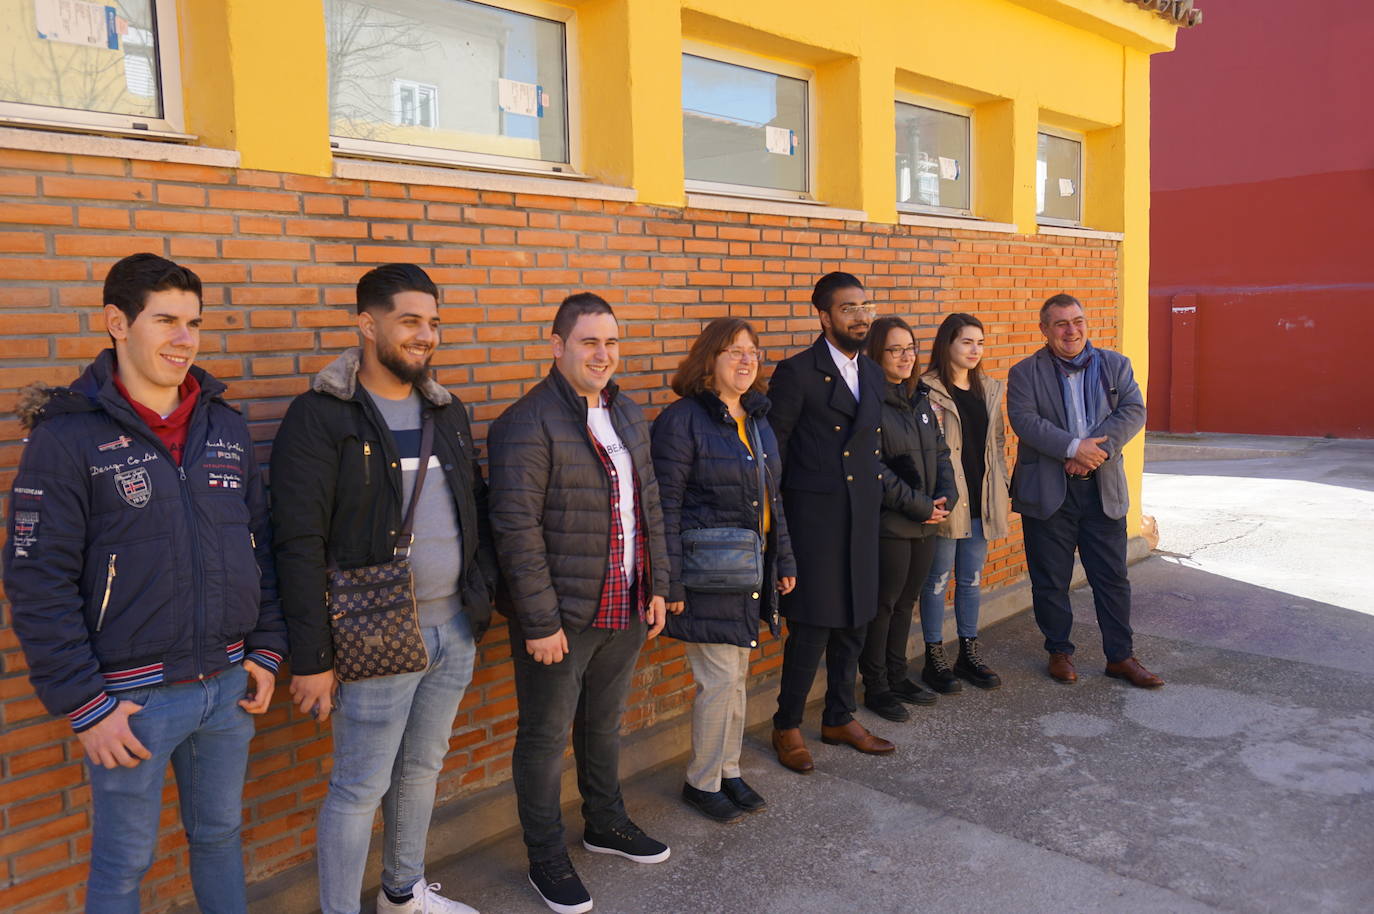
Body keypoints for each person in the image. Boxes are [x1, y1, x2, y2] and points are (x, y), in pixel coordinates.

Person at [4, 253, 286, 913]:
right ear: (116, 323)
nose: (184, 339)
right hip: (132, 700)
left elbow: (258, 545)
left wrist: (267, 649)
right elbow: (36, 580)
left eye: (193, 322)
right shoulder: (68, 438)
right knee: (124, 864)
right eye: (165, 320)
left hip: (226, 685)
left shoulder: (225, 428)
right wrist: (85, 705)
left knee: (219, 836)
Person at [271, 263, 497, 914]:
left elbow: (472, 506)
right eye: (410, 321)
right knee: (359, 788)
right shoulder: (322, 416)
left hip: (452, 629)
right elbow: (297, 542)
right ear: (367, 325)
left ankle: (403, 894)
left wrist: (476, 601)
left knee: (422, 769)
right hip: (371, 635)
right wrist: (313, 659)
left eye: (433, 322)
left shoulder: (444, 410)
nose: (425, 335)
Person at [488, 293, 671, 914]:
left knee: (603, 723)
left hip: (625, 605)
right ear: (556, 343)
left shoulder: (627, 412)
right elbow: (516, 532)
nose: (602, 354)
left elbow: (650, 508)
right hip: (561, 618)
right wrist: (539, 622)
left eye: (612, 342)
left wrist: (660, 587)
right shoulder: (526, 422)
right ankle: (545, 855)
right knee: (543, 739)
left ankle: (605, 823)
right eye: (589, 341)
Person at [650, 317, 798, 822]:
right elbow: (664, 506)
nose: (746, 359)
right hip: (704, 574)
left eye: (753, 351)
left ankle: (728, 770)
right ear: (708, 360)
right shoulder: (682, 420)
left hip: (749, 571)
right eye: (733, 350)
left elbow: (773, 500)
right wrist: (666, 581)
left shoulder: (756, 419)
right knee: (718, 680)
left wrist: (784, 560)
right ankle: (703, 780)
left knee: (735, 677)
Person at [766, 271, 895, 774]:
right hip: (814, 522)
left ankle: (840, 716)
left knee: (856, 623)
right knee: (813, 628)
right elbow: (773, 455)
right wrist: (778, 535)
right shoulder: (796, 373)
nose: (862, 316)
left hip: (861, 517)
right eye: (848, 308)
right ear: (823, 316)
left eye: (865, 306)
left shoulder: (876, 374)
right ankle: (787, 723)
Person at [1007, 293, 1162, 688]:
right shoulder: (1025, 372)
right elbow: (1025, 421)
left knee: (1111, 578)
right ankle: (1059, 651)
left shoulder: (1115, 365)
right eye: (1060, 324)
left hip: (1102, 489)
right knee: (1050, 580)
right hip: (1048, 492)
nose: (1070, 330)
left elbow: (1133, 411)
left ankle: (1120, 657)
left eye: (1077, 321)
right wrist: (1073, 448)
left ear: (1085, 323)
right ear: (1044, 330)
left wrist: (1094, 452)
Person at [858, 316, 959, 722]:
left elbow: (940, 454)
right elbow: (874, 468)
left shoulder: (919, 398)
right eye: (895, 349)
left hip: (926, 522)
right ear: (876, 354)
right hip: (891, 525)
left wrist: (945, 497)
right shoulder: (869, 403)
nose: (905, 356)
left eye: (910, 348)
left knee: (906, 604)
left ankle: (898, 676)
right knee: (884, 605)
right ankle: (876, 686)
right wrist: (919, 505)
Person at [917, 313, 1012, 693]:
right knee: (937, 580)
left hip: (981, 500)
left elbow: (999, 443)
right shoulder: (925, 389)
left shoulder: (988, 388)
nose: (975, 350)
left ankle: (969, 652)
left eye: (980, 343)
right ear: (947, 345)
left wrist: (1001, 485)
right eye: (967, 342)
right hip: (946, 501)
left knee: (971, 580)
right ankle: (933, 657)